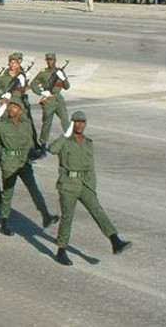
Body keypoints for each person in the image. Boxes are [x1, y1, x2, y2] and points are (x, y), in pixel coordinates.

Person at [48, 111, 132, 266]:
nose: (79, 125)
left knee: (97, 210)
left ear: (85, 124)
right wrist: (65, 135)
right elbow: (52, 149)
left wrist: (92, 186)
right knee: (67, 218)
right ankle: (61, 251)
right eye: (76, 122)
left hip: (84, 184)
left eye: (82, 122)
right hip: (68, 185)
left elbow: (91, 167)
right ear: (72, 124)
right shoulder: (65, 141)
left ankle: (115, 240)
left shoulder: (88, 143)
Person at [0, 96, 58, 236]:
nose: (11, 109)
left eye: (15, 107)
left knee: (34, 189)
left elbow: (29, 142)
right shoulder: (2, 124)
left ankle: (45, 216)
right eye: (10, 106)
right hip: (9, 162)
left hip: (23, 162)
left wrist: (34, 153)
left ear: (20, 110)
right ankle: (4, 223)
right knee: (8, 194)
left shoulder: (26, 124)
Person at [30, 53, 70, 155]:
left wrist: (64, 78)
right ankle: (43, 145)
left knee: (65, 120)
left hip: (58, 99)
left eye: (52, 60)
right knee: (47, 123)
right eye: (48, 60)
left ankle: (70, 141)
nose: (50, 62)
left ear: (55, 61)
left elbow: (67, 86)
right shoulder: (43, 73)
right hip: (48, 100)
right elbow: (33, 84)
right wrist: (41, 92)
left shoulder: (60, 72)